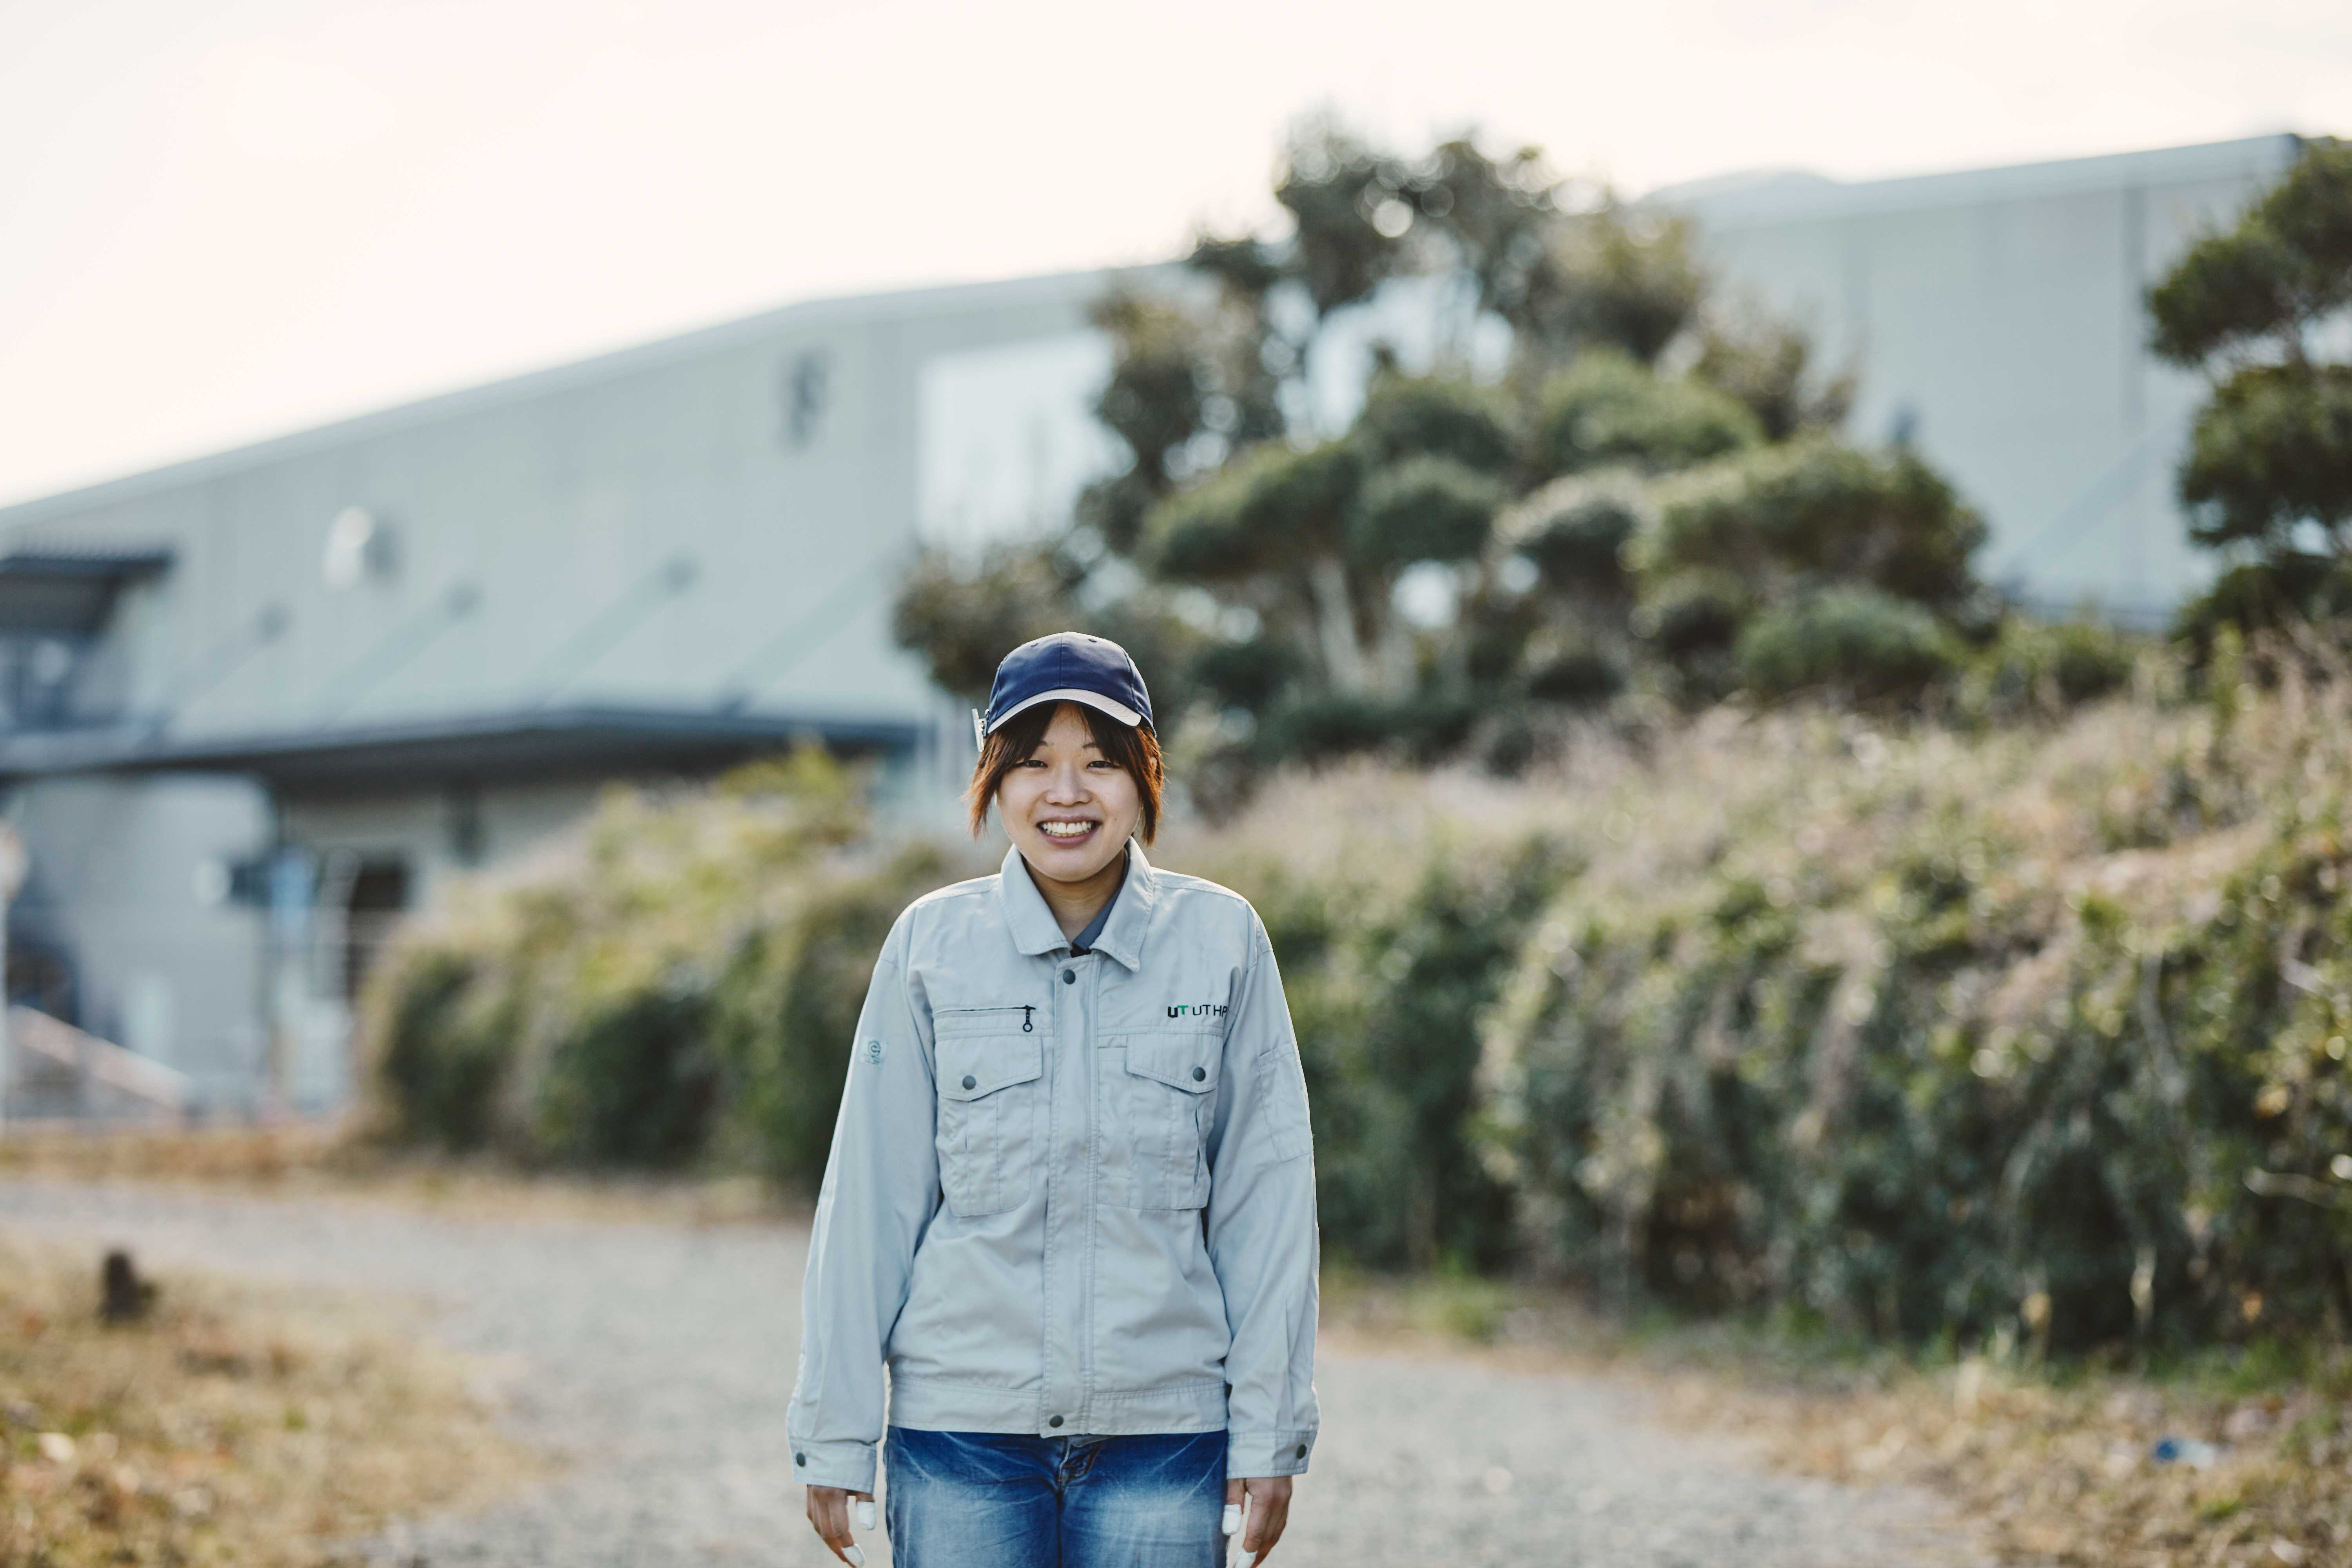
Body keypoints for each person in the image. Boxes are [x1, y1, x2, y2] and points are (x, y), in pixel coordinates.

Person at [790, 632, 1319, 1567]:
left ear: (1145, 778)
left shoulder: (1224, 940)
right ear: (994, 782)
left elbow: (1267, 1202)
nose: (1066, 793)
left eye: (1100, 764)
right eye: (1033, 762)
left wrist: (1268, 1428)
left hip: (1165, 1437)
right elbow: (870, 1200)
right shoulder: (930, 945)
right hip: (961, 1434)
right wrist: (835, 1432)